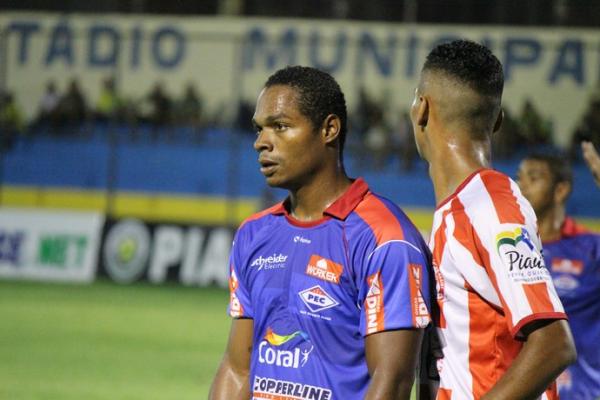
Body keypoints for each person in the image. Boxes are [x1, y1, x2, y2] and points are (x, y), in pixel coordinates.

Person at [209, 66, 433, 400]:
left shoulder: (385, 238)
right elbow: (237, 368)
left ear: (329, 129)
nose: (261, 142)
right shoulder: (253, 235)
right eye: (259, 129)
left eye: (280, 127)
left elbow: (392, 382)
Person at [410, 39, 576, 399]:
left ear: (421, 110)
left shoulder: (489, 206)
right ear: (497, 121)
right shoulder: (459, 209)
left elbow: (553, 344)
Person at [517, 152, 600, 400]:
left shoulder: (591, 249)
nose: (522, 187)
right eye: (519, 178)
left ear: (560, 190)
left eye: (534, 178)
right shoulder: (510, 249)